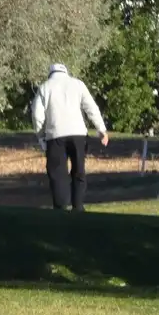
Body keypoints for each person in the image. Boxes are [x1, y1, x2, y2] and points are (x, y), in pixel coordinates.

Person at [31, 63, 109, 211]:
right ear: (66, 71)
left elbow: (37, 116)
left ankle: (61, 208)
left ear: (50, 73)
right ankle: (78, 207)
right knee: (79, 171)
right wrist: (101, 129)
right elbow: (91, 107)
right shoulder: (77, 84)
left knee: (58, 174)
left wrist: (41, 137)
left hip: (55, 135)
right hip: (78, 134)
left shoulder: (45, 87)